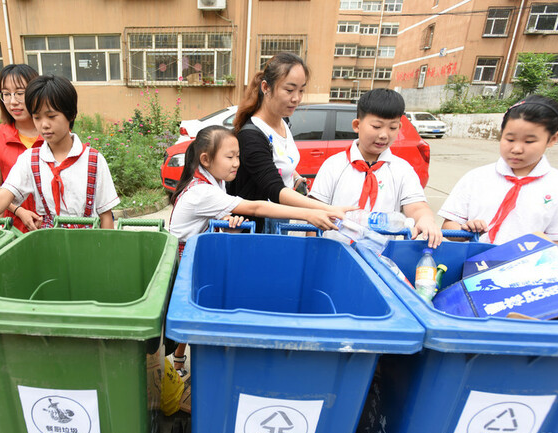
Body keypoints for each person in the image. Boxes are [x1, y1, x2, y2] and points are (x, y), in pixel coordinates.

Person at [168, 125, 348, 374]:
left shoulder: (213, 181)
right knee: (195, 311)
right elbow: (256, 208)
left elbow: (213, 223)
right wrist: (310, 213)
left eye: (238, 156)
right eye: (230, 157)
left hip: (198, 254)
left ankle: (183, 359)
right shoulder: (201, 191)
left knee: (198, 308)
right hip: (185, 260)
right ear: (206, 159)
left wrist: (228, 225)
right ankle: (189, 363)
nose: (236, 163)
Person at [0, 74, 119, 261]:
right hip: (49, 250)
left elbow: (105, 215)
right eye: (37, 117)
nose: (44, 125)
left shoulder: (94, 161)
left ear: (71, 114)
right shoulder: (31, 159)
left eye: (51, 116)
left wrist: (106, 256)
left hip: (89, 249)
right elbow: (3, 196)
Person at [439, 95, 558, 250]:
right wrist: (466, 230)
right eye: (510, 139)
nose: (516, 149)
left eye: (529, 141)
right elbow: (448, 227)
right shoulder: (477, 177)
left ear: (553, 139)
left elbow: (557, 246)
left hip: (528, 265)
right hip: (475, 262)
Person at [308, 88, 442, 248]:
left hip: (381, 255)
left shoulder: (402, 170)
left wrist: (426, 219)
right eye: (377, 126)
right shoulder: (334, 165)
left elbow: (417, 207)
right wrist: (313, 249)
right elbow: (314, 212)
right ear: (357, 125)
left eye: (392, 128)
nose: (384, 135)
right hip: (335, 251)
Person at [230, 52, 344, 233]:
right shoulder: (251, 136)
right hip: (256, 228)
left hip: (279, 218)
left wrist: (296, 177)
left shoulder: (283, 121)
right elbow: (275, 189)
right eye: (289, 90)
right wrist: (325, 209)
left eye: (301, 90)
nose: (296, 98)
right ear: (266, 87)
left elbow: (278, 160)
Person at [0, 64, 43, 233]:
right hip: (13, 226)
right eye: (6, 94)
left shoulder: (52, 133)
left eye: (20, 93)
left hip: (51, 224)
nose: (13, 101)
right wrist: (18, 210)